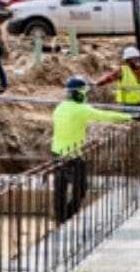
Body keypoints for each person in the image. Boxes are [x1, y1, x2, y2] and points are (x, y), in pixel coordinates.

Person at [51, 76, 133, 222]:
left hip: (57, 153)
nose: (86, 95)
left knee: (60, 190)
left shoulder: (60, 107)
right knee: (81, 188)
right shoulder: (81, 109)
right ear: (78, 93)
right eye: (84, 92)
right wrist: (129, 117)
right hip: (73, 155)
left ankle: (60, 217)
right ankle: (68, 216)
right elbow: (105, 115)